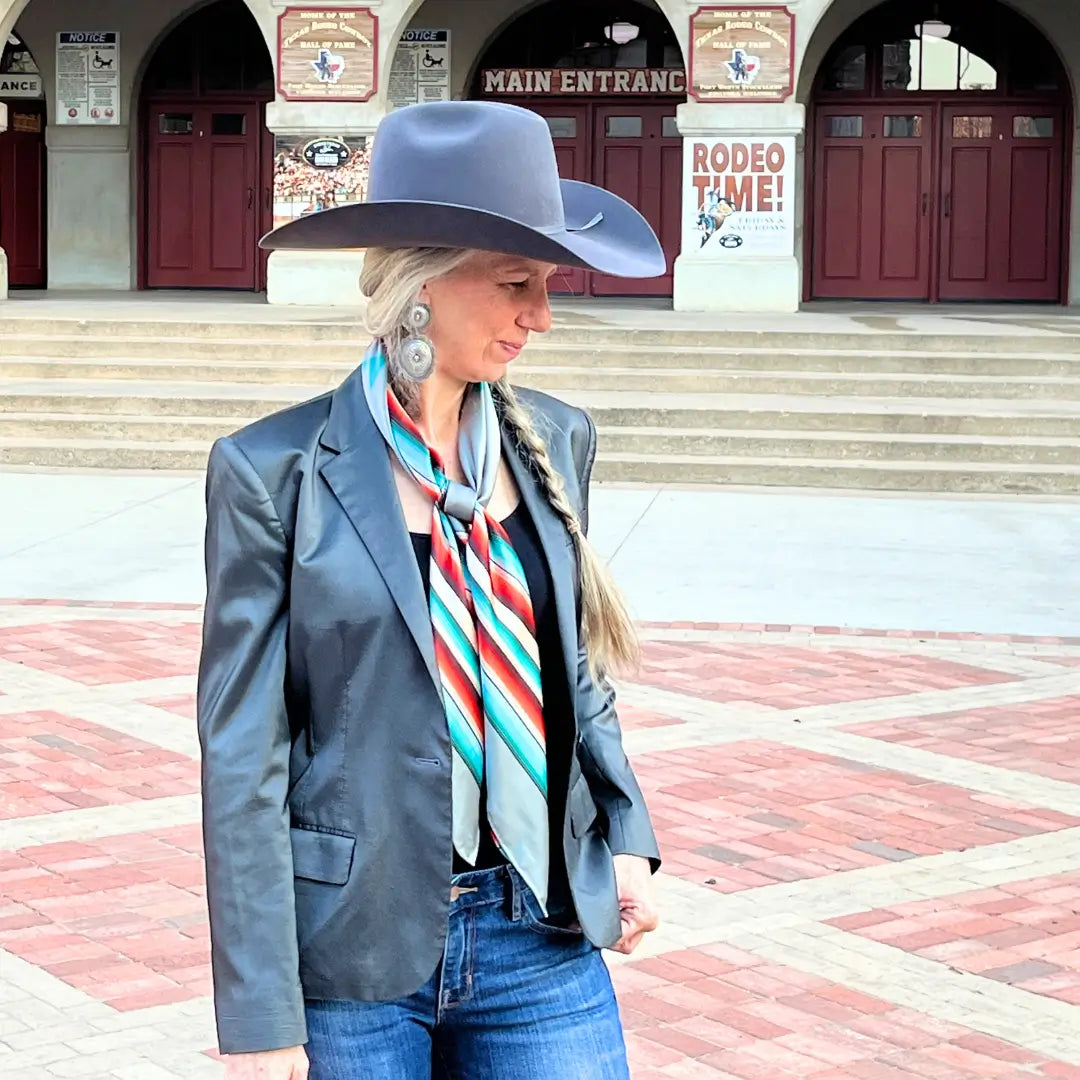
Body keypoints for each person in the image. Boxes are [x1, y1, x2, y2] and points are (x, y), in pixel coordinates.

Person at [196, 100, 665, 1080]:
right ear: (420, 287)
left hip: (539, 929)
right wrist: (258, 1010)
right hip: (353, 953)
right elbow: (244, 755)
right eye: (516, 283)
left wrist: (625, 837)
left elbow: (570, 666)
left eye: (545, 284)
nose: (541, 314)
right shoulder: (272, 471)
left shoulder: (557, 441)